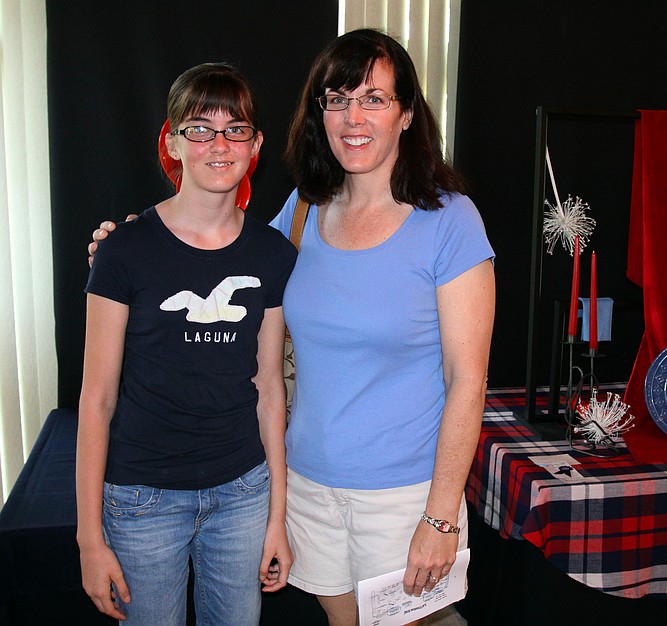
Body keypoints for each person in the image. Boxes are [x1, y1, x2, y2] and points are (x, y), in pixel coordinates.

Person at [90, 29, 495, 626]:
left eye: (374, 98)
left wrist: (440, 517)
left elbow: (469, 381)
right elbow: (220, 251)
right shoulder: (304, 210)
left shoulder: (448, 220)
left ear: (407, 114)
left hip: (405, 494)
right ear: (320, 113)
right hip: (306, 486)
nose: (353, 117)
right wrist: (132, 242)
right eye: (337, 99)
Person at [77, 62, 296, 624]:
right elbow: (95, 401)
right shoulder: (124, 251)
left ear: (256, 144)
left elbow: (269, 390)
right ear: (172, 141)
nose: (218, 144)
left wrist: (277, 518)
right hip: (141, 501)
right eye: (199, 128)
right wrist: (89, 540)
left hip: (243, 496)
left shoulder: (271, 254)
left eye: (235, 129)